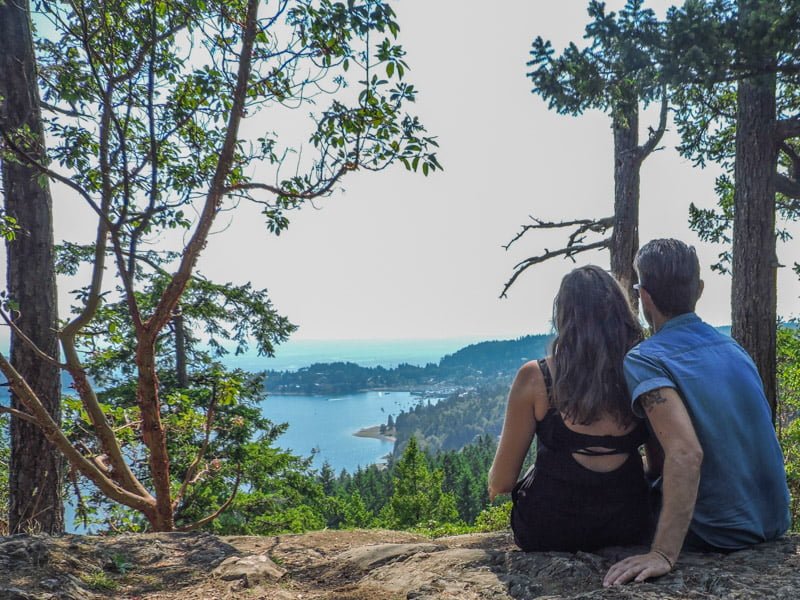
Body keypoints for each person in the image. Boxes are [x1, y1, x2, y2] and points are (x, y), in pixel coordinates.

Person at [603, 239, 791, 587]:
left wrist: (662, 553)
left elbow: (686, 453)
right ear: (699, 289)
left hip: (720, 532)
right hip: (774, 520)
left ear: (644, 297)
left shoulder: (646, 358)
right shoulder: (733, 349)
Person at [488, 265, 653, 552]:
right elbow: (660, 465)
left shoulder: (536, 377)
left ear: (563, 317)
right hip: (628, 526)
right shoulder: (641, 375)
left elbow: (501, 482)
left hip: (549, 529)